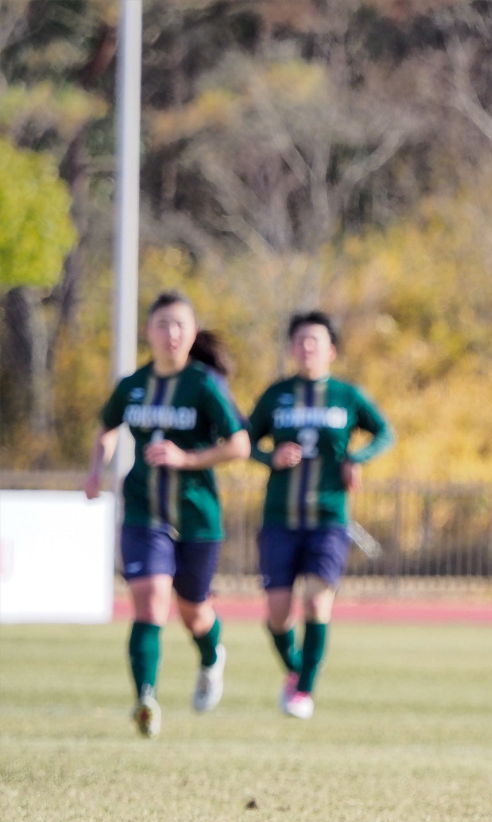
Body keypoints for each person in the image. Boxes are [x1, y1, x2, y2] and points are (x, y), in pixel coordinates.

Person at [83, 291, 251, 737]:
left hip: (197, 515)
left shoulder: (204, 384)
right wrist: (96, 468)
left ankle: (212, 658)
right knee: (150, 600)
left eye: (180, 325)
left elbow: (240, 445)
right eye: (162, 324)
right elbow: (107, 426)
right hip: (143, 510)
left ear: (192, 332)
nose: (171, 333)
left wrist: (186, 458)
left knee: (193, 612)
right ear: (149, 331)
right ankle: (146, 698)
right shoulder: (134, 383)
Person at [247, 311, 393, 720]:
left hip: (328, 518)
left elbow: (385, 432)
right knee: (278, 614)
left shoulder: (348, 396)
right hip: (280, 518)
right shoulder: (277, 394)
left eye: (315, 341)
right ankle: (297, 669)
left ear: (331, 350)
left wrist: (356, 457)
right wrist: (269, 456)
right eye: (300, 341)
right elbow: (245, 439)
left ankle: (303, 692)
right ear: (291, 348)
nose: (307, 347)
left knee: (315, 604)